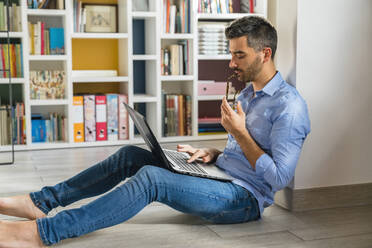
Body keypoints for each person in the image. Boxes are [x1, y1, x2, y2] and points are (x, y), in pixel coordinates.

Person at [0, 16, 310, 247]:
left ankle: (43, 233)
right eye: (231, 53)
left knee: (151, 179)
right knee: (131, 156)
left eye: (239, 55)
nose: (231, 63)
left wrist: (240, 133)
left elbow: (279, 178)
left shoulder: (290, 107)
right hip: (220, 175)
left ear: (265, 54)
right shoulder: (246, 95)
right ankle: (40, 202)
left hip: (244, 198)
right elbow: (242, 152)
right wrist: (213, 153)